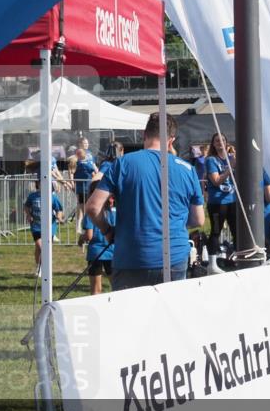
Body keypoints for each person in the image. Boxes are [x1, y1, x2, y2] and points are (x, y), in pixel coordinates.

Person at [86, 112, 205, 290]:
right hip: (174, 256)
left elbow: (93, 207)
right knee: (168, 316)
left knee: (129, 316)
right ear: (171, 140)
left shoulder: (122, 164)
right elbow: (198, 220)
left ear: (144, 134)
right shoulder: (188, 169)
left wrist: (107, 230)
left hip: (131, 257)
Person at [79, 178, 116, 295]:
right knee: (116, 286)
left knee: (96, 289)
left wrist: (81, 239)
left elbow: (89, 235)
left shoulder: (90, 213)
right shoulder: (114, 212)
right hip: (112, 251)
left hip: (95, 253)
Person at [205, 132, 237, 258]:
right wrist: (230, 168)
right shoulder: (211, 160)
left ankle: (237, 256)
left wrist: (234, 159)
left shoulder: (231, 158)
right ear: (213, 144)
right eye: (217, 140)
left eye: (222, 140)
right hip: (217, 203)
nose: (220, 142)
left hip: (232, 199)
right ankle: (212, 261)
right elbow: (216, 180)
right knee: (216, 231)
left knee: (236, 230)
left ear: (226, 143)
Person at [25, 179, 64, 268]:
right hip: (36, 226)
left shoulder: (52, 197)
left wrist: (59, 217)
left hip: (50, 226)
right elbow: (26, 206)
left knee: (46, 248)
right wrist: (28, 215)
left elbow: (59, 209)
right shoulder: (32, 196)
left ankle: (45, 268)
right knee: (40, 246)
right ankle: (39, 266)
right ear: (37, 184)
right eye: (40, 183)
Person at [73, 146, 98, 230]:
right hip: (82, 188)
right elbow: (71, 172)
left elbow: (95, 171)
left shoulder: (87, 162)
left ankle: (85, 225)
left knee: (84, 206)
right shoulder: (77, 163)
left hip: (86, 187)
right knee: (83, 207)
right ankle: (84, 225)